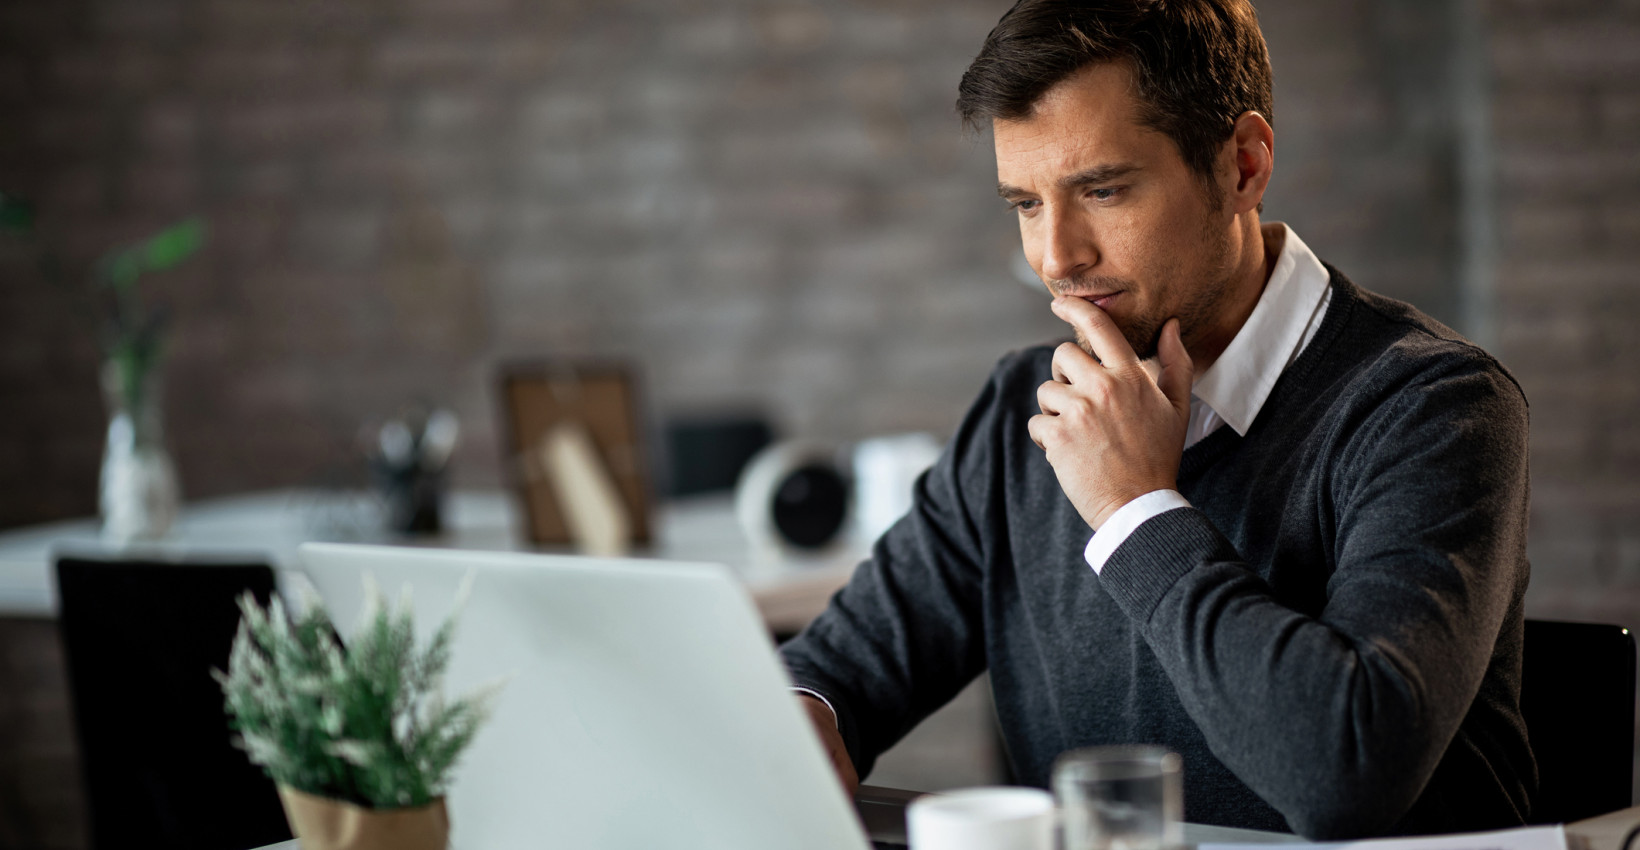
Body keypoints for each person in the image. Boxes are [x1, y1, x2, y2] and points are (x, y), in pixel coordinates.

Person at [777, 0, 1535, 839]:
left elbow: (1344, 773)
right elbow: (841, 666)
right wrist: (800, 712)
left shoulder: (1435, 407)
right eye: (1026, 205)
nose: (1056, 257)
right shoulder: (1019, 413)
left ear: (1244, 166)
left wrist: (1133, 508)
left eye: (1101, 190)